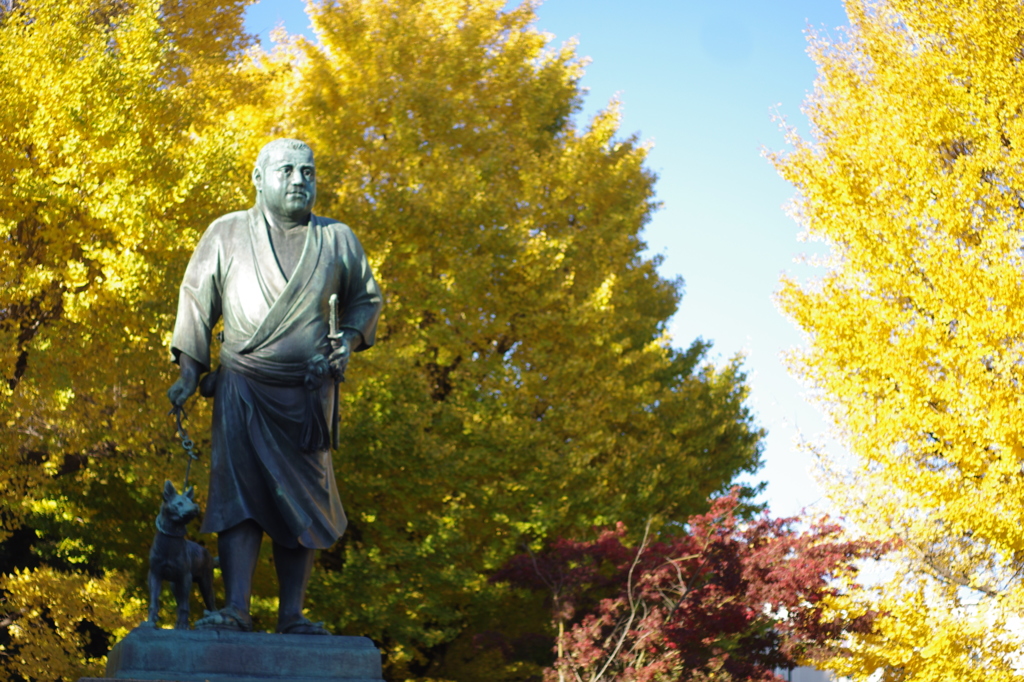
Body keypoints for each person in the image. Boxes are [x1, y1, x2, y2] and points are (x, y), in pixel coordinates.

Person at [167, 138, 383, 634]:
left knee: (301, 500)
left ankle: (292, 615)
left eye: (307, 172)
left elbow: (366, 300)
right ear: (258, 178)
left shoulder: (337, 239)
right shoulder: (226, 232)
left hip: (308, 392)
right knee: (237, 495)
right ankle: (236, 607)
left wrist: (347, 340)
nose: (298, 180)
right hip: (242, 383)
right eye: (285, 171)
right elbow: (198, 300)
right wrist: (188, 369)